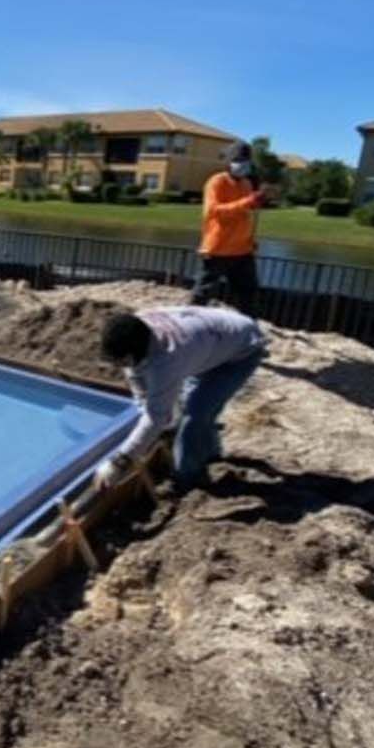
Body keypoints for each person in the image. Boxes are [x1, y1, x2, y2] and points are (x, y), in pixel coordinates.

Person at [96, 305, 267, 492]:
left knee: (194, 416)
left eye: (122, 361)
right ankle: (211, 455)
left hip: (240, 350)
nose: (120, 367)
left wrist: (121, 461)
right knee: (194, 410)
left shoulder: (166, 361)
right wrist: (157, 420)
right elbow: (138, 383)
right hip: (208, 344)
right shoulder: (134, 332)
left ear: (135, 352)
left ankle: (187, 479)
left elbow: (156, 416)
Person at [191, 141, 268, 316]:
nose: (243, 164)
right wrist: (247, 202)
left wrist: (250, 238)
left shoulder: (247, 184)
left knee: (248, 292)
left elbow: (244, 215)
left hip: (242, 249)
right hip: (218, 248)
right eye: (238, 159)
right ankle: (191, 321)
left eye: (246, 160)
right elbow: (213, 211)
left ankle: (247, 325)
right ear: (228, 161)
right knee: (203, 292)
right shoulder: (216, 182)